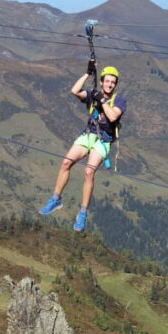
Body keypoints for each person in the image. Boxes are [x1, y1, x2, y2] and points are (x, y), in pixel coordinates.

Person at [39, 61, 126, 231]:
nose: (109, 84)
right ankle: (56, 199)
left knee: (88, 172)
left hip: (103, 139)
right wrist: (87, 73)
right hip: (88, 135)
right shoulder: (93, 94)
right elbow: (75, 91)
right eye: (107, 81)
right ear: (101, 82)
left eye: (112, 82)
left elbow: (113, 117)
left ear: (115, 84)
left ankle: (83, 213)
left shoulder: (120, 100)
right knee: (66, 162)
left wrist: (102, 100)